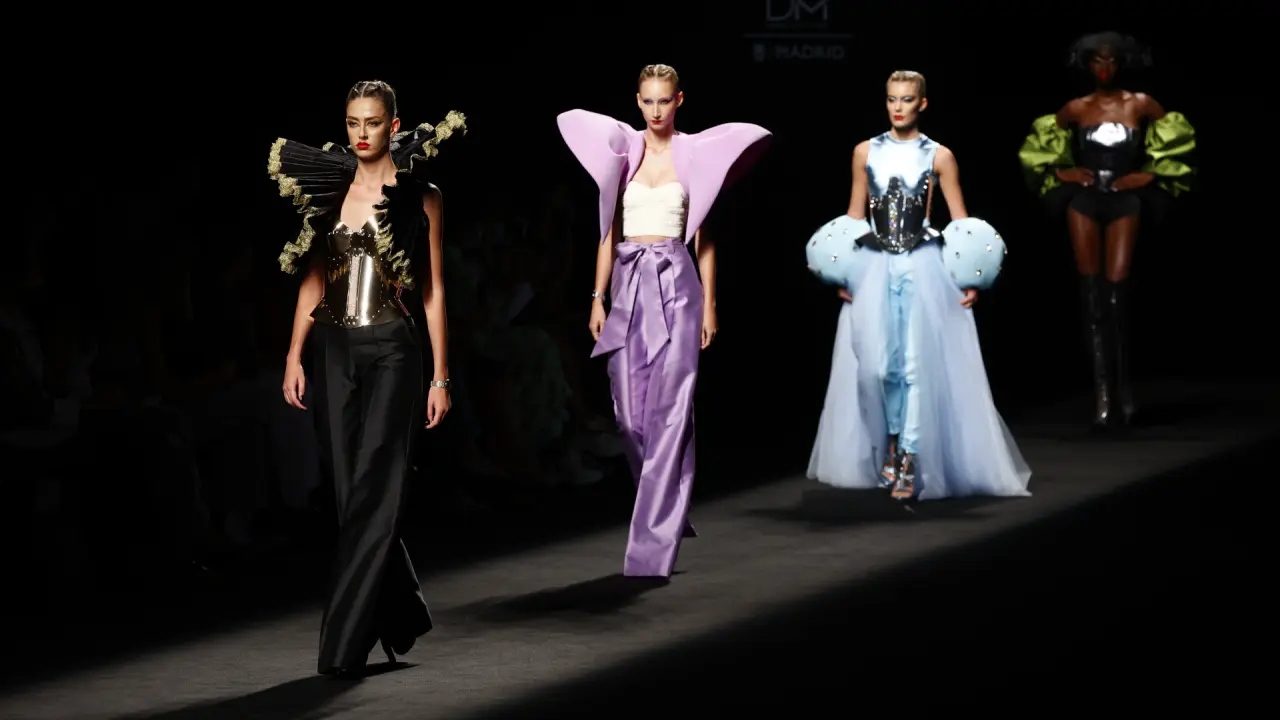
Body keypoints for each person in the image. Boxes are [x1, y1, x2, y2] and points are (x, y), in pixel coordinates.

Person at [267, 79, 465, 676]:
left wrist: (441, 376)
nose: (360, 133)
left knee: (378, 490)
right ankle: (402, 614)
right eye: (353, 121)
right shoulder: (330, 190)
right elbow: (313, 277)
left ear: (393, 125)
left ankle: (341, 648)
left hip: (393, 349)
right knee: (350, 494)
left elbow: (432, 289)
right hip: (334, 349)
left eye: (372, 122)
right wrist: (294, 353)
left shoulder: (422, 196)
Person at [557, 64, 771, 577]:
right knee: (629, 418)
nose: (656, 110)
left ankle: (651, 547)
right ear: (637, 101)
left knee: (671, 410)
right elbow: (608, 231)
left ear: (679, 101)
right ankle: (669, 502)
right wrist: (597, 298)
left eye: (664, 101)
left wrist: (710, 303)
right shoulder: (622, 153)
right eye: (648, 101)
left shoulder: (694, 154)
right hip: (628, 281)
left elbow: (705, 236)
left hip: (677, 284)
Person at [807, 70, 1030, 501]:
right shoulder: (865, 151)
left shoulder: (939, 155)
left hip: (923, 266)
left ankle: (908, 456)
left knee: (914, 366)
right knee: (876, 367)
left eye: (907, 99)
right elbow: (854, 215)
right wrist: (842, 271)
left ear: (922, 103)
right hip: (873, 266)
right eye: (892, 98)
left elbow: (960, 220)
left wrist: (970, 276)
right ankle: (891, 443)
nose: (898, 107)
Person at [1018, 32, 1195, 431]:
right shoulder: (1076, 108)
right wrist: (1062, 171)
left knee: (1117, 292)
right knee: (1091, 293)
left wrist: (1148, 174)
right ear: (1086, 64)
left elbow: (1180, 145)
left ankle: (1125, 392)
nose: (1104, 67)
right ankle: (1102, 395)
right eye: (1097, 60)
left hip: (1124, 199)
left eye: (1111, 60)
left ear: (1122, 63)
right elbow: (1038, 150)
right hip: (1084, 200)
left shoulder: (1140, 103)